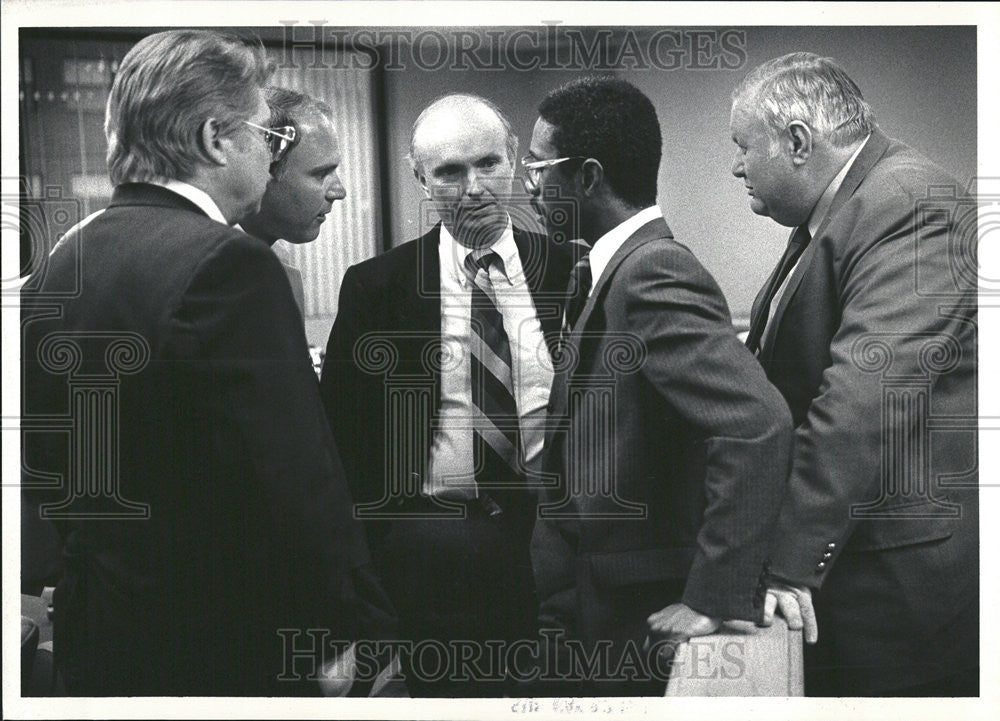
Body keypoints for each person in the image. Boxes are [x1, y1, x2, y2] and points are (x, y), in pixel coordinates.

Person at [20, 29, 391, 695]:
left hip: (101, 630)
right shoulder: (228, 262)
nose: (269, 154)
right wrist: (337, 628)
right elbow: (291, 481)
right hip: (218, 643)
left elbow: (46, 462)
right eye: (268, 139)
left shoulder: (60, 264)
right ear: (217, 140)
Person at [524, 76, 793, 696]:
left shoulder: (653, 271)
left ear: (587, 178)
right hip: (587, 595)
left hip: (628, 605)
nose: (530, 187)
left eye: (538, 169)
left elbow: (757, 424)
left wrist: (713, 593)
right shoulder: (600, 263)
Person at [730, 52, 978, 696]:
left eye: (742, 147)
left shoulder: (909, 199)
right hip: (857, 554)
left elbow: (864, 399)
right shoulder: (841, 209)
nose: (736, 167)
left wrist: (788, 564)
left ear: (797, 141)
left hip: (891, 581)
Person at [319, 93, 575, 696]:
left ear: (514, 158)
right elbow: (343, 445)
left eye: (488, 163)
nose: (474, 187)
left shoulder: (571, 271)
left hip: (557, 544)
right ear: (420, 180)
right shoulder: (376, 289)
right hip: (435, 559)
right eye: (450, 172)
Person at [241, 87, 347, 319]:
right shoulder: (201, 265)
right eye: (321, 174)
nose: (339, 192)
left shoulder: (281, 267)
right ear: (262, 169)